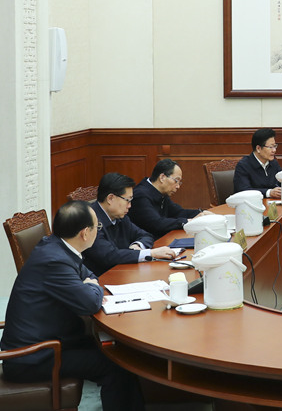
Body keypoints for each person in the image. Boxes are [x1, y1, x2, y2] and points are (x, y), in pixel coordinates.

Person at [1, 200, 145, 410]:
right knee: (116, 365)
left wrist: (89, 285)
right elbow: (90, 302)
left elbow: (89, 276)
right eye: (97, 227)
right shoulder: (55, 261)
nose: (98, 231)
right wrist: (92, 286)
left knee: (119, 351)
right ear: (85, 233)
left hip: (54, 339)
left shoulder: (58, 247)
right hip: (33, 356)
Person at [82, 172, 176, 276]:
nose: (129, 206)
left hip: (124, 272)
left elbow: (146, 235)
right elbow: (109, 256)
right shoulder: (89, 220)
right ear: (110, 198)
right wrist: (151, 253)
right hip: (101, 279)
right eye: (128, 200)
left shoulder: (120, 217)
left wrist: (137, 245)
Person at [130, 158, 211, 239]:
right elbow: (156, 224)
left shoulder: (160, 192)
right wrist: (187, 222)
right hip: (147, 242)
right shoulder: (140, 195)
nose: (178, 186)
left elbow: (178, 212)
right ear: (162, 177)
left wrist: (201, 213)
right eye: (176, 181)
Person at [234, 128, 282, 199]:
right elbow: (243, 190)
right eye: (270, 147)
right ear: (258, 148)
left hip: (272, 203)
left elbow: (281, 183)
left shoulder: (274, 163)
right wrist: (269, 192)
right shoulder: (243, 165)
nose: (274, 150)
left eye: (275, 146)